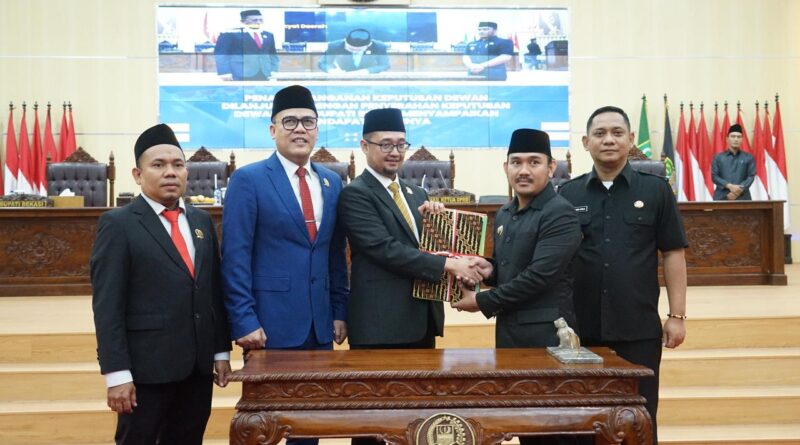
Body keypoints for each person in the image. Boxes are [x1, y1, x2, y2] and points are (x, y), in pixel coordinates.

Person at [221, 85, 349, 444]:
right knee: (262, 425)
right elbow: (235, 257)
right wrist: (244, 320)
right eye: (290, 121)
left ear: (317, 130)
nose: (299, 129)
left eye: (308, 121)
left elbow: (335, 253)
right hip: (268, 327)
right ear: (272, 129)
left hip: (319, 327)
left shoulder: (332, 182)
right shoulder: (249, 179)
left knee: (308, 425)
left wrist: (339, 310)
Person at [91, 123, 232, 445]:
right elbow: (108, 307)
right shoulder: (118, 224)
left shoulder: (201, 221)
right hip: (146, 371)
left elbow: (212, 292)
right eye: (158, 165)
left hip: (197, 369)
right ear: (137, 175)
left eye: (177, 165)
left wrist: (220, 351)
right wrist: (117, 375)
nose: (170, 172)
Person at [558, 106, 688, 445]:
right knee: (583, 421)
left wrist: (676, 316)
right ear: (586, 142)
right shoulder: (568, 194)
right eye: (599, 134)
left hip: (637, 329)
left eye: (617, 133)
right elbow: (556, 261)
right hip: (581, 331)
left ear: (631, 140)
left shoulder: (656, 190)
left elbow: (673, 253)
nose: (609, 140)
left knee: (639, 420)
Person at [451, 129, 581, 445]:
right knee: (526, 426)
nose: (524, 170)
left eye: (534, 162)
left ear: (551, 167)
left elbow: (539, 277)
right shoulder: (505, 213)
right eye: (516, 162)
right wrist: (489, 269)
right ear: (505, 167)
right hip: (511, 337)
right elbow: (513, 268)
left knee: (552, 430)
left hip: (548, 339)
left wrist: (482, 301)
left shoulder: (560, 213)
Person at [337, 107, 481, 350]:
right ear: (364, 146)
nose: (395, 152)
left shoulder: (417, 193)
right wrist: (449, 264)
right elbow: (385, 249)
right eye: (386, 145)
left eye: (401, 144)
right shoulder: (355, 194)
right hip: (381, 324)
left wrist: (438, 223)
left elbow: (427, 248)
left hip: (423, 318)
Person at [214, 9, 279, 81]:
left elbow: (273, 54)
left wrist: (274, 70)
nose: (258, 22)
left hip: (265, 73)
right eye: (254, 20)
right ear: (243, 21)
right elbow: (221, 54)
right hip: (240, 73)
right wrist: (224, 72)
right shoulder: (230, 33)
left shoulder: (268, 35)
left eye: (261, 20)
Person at [711, 124, 756, 200]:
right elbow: (714, 176)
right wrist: (729, 186)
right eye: (733, 136)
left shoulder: (748, 157)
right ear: (727, 139)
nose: (736, 139)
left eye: (739, 137)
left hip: (743, 197)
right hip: (722, 197)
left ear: (742, 140)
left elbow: (751, 176)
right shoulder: (718, 157)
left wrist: (737, 191)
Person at [318, 29, 390, 74]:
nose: (354, 51)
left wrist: (367, 71)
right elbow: (323, 63)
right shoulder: (334, 46)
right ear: (345, 42)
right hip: (342, 78)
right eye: (351, 48)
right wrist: (331, 70)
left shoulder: (379, 47)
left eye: (358, 50)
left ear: (368, 45)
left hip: (369, 79)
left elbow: (384, 65)